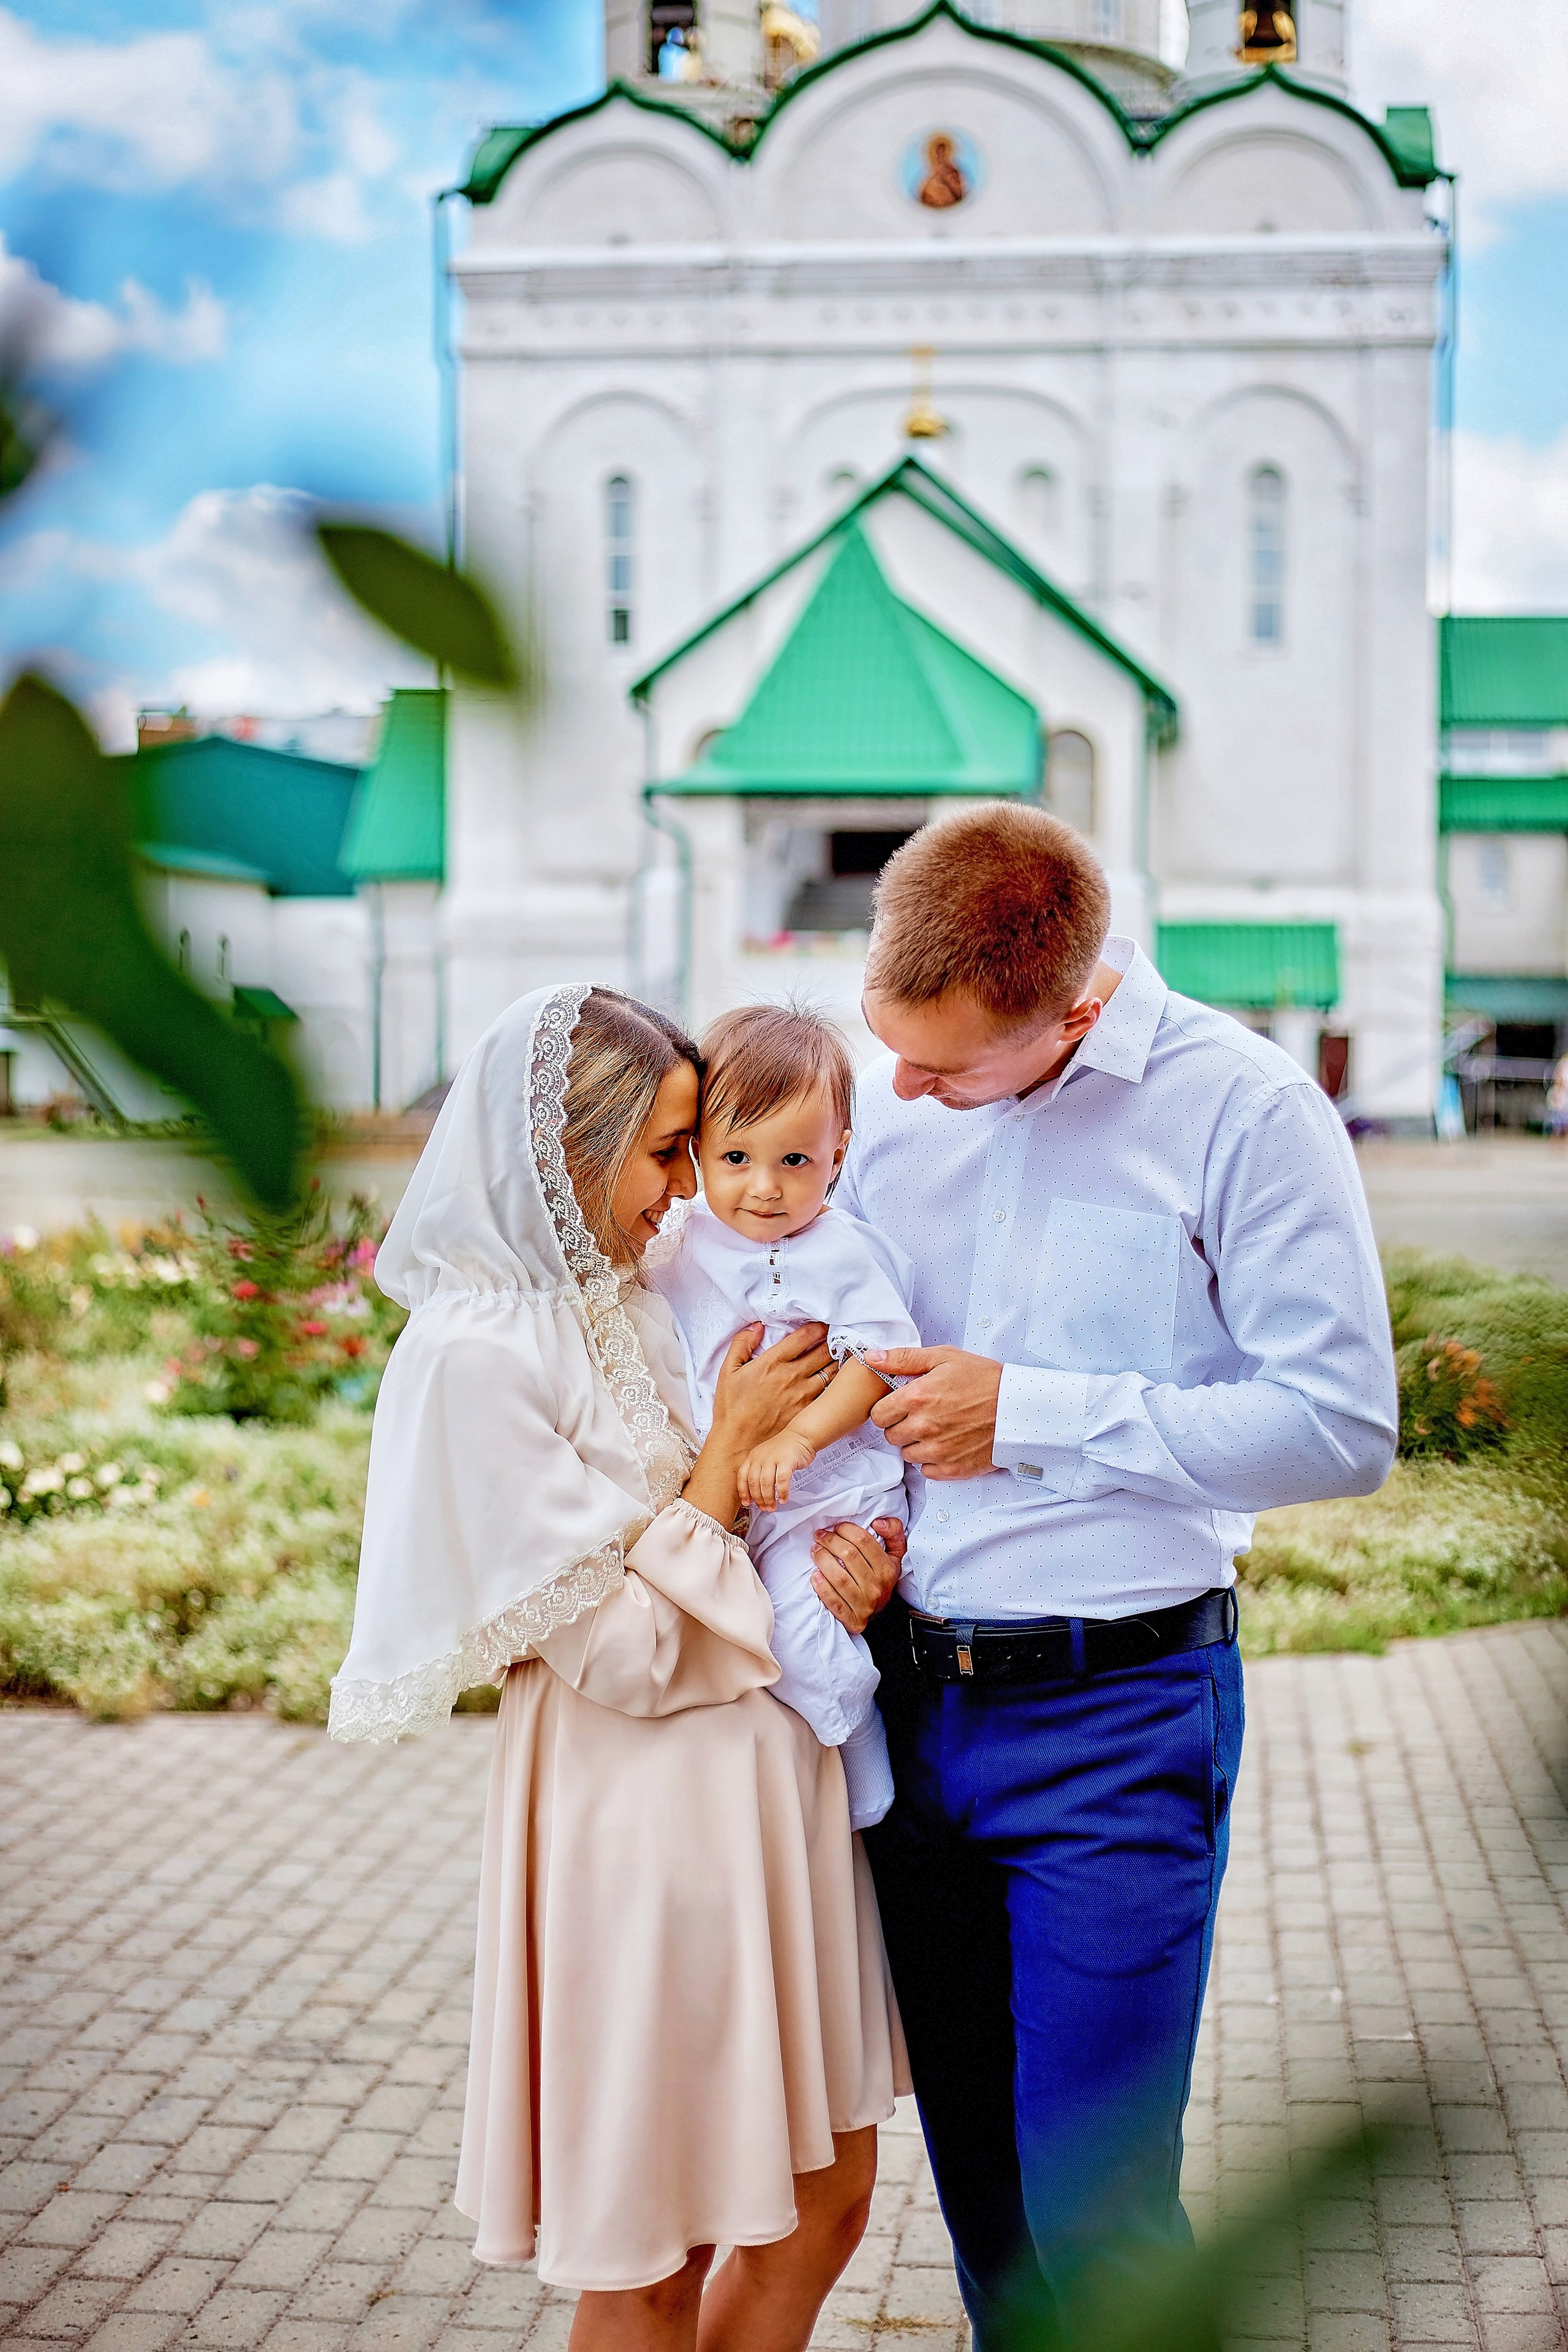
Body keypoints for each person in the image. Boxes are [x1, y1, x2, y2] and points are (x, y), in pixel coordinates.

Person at [833, 804, 1398, 2352]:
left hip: (1116, 1713)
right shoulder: (881, 1094)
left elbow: (1339, 1425)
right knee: (988, 2201)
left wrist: (1029, 1411)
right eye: (892, 1043)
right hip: (896, 1708)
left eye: (944, 1067)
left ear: (1071, 1015)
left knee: (1099, 2209)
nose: (900, 1088)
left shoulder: (1243, 1113)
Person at [329, 983, 909, 2352]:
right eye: (667, 1152)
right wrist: (732, 1452)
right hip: (641, 1828)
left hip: (773, 1798)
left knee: (824, 2204)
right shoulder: (474, 1358)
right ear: (569, 1149)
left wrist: (855, 1564)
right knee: (659, 2245)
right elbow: (627, 1650)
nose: (687, 1188)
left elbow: (780, 1506)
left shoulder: (642, 1292)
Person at [647, 1002, 919, 1834]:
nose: (765, 1187)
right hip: (726, 1496)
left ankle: (860, 1755)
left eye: (795, 1159)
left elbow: (881, 1357)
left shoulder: (844, 1250)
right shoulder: (680, 1240)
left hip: (823, 1496)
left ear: (837, 1155)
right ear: (696, 1152)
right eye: (737, 1157)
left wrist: (801, 1436)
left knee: (798, 1639)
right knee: (729, 1646)